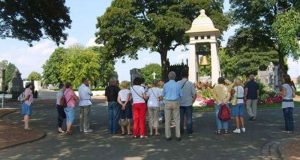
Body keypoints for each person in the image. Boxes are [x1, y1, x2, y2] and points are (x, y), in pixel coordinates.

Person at [162, 71, 181, 141]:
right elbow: (180, 95)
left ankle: (168, 136)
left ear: (168, 77)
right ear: (175, 77)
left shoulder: (165, 85)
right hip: (175, 102)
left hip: (167, 102)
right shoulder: (178, 85)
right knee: (177, 120)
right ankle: (178, 135)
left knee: (167, 120)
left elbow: (163, 94)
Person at [178, 70, 196, 135]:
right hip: (188, 103)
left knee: (180, 118)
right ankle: (189, 130)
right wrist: (193, 101)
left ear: (181, 76)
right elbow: (194, 94)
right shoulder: (190, 83)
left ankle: (181, 130)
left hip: (180, 103)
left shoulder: (178, 83)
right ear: (187, 76)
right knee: (189, 118)